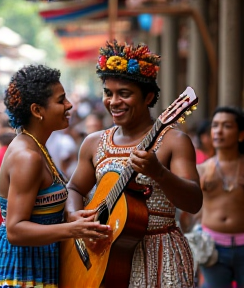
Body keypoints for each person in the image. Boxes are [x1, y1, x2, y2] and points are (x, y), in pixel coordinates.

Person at [65, 40, 203, 287]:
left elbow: (193, 202)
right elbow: (74, 188)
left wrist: (159, 173)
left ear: (148, 96)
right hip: (104, 258)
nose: (113, 102)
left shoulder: (174, 141)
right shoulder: (93, 142)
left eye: (124, 94)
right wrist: (76, 218)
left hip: (160, 254)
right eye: (108, 93)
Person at [0, 64, 110, 288]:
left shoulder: (36, 146)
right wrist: (72, 230)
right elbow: (15, 230)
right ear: (37, 111)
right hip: (18, 274)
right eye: (61, 101)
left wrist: (71, 218)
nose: (69, 105)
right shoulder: (27, 157)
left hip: (34, 268)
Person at [197, 106, 244, 288]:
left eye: (227, 126)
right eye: (215, 125)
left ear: (240, 134)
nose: (218, 131)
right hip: (212, 247)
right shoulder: (201, 169)